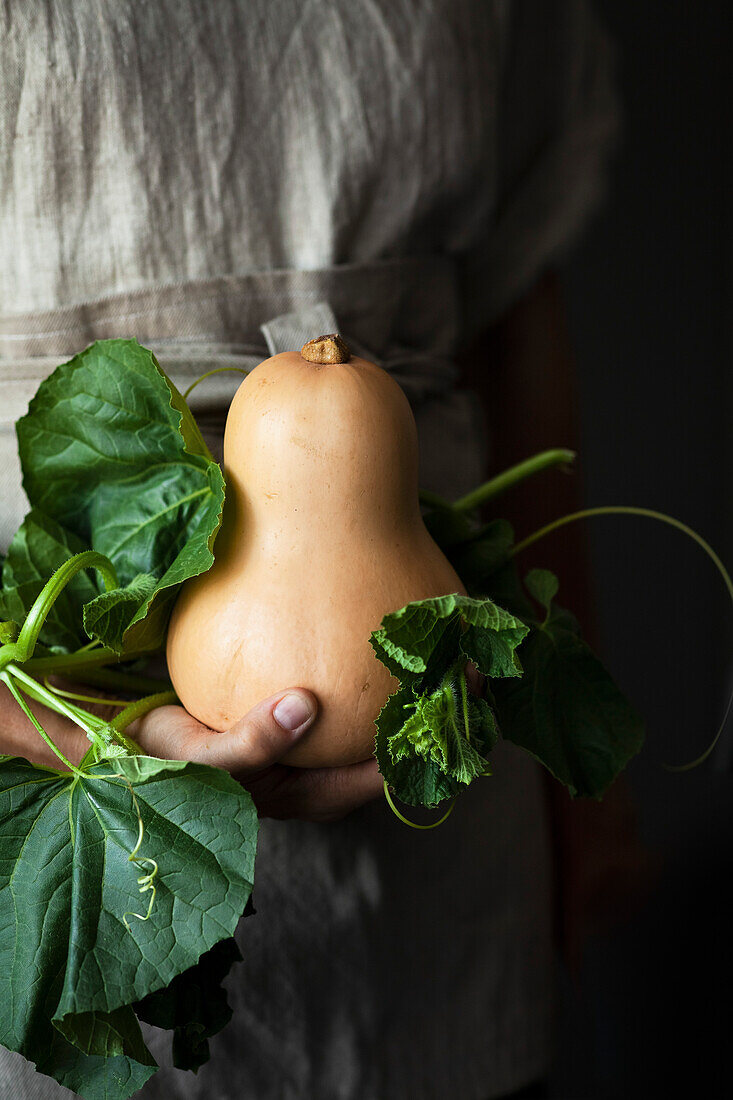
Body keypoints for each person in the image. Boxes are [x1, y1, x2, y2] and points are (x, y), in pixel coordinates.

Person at [0, 2, 645, 1097]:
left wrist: (582, 783)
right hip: (63, 832)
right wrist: (41, 728)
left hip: (444, 845)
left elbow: (511, 303)